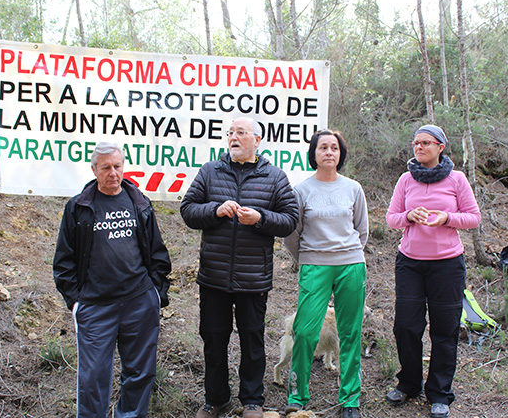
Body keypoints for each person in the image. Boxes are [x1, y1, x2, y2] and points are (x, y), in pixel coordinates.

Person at [180, 117, 298, 418]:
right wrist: (215, 210)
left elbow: (289, 220)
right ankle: (216, 399)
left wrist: (261, 218)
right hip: (214, 276)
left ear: (257, 140)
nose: (233, 137)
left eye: (241, 132)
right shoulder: (210, 171)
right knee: (213, 341)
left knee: (252, 342)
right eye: (230, 132)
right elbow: (188, 210)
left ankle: (253, 400)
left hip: (253, 278)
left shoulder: (275, 177)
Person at [53, 142, 171, 418]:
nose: (113, 173)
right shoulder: (78, 207)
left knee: (140, 372)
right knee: (93, 375)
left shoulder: (139, 202)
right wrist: (75, 301)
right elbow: (64, 259)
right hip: (95, 305)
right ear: (94, 169)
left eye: (117, 166)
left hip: (139, 301)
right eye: (105, 168)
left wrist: (156, 293)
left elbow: (157, 251)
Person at [385, 125, 481, 418]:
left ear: (440, 147)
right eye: (416, 143)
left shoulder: (457, 179)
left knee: (445, 330)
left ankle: (439, 393)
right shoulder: (405, 179)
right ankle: (408, 383)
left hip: (447, 265)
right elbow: (391, 218)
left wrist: (447, 218)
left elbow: (473, 218)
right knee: (406, 326)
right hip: (410, 263)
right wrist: (408, 216)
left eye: (426, 142)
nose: (419, 147)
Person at [283, 129, 368, 418]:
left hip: (350, 266)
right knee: (305, 331)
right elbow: (291, 234)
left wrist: (348, 255)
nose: (329, 152)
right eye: (323, 147)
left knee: (350, 333)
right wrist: (307, 259)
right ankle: (297, 395)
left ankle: (350, 399)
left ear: (340, 154)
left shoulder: (353, 188)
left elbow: (361, 229)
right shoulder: (302, 190)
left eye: (334, 147)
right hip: (314, 266)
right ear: (314, 154)